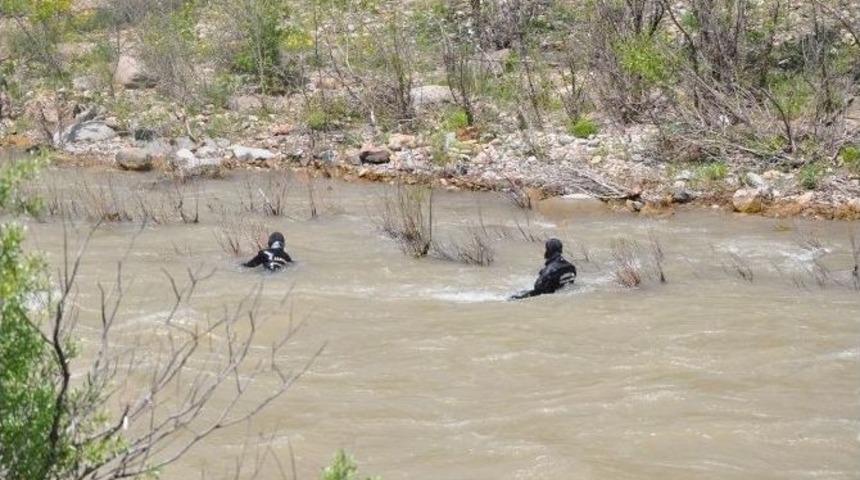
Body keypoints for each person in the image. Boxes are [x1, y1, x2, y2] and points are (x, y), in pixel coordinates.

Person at [510, 238, 577, 300]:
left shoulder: (550, 270)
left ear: (548, 251)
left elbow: (538, 288)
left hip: (549, 297)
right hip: (562, 295)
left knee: (513, 297)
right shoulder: (571, 267)